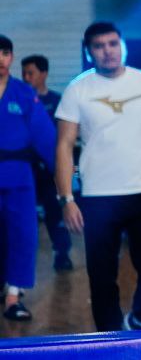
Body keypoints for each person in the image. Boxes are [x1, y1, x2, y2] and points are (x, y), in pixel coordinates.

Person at [55, 22, 141, 331]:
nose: (108, 51)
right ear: (88, 52)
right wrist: (66, 198)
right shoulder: (78, 89)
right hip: (98, 198)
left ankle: (140, 317)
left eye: (113, 43)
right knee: (101, 276)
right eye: (99, 46)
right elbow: (64, 146)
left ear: (123, 46)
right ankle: (110, 338)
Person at [0, 36, 57, 321]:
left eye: (5, 53)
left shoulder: (24, 94)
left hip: (19, 176)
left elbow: (46, 139)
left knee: (22, 235)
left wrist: (65, 178)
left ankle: (13, 297)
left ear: (11, 57)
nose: (0, 59)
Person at [21, 54, 72, 271]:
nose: (26, 78)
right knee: (21, 216)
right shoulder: (17, 101)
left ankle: (62, 254)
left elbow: (65, 137)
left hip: (51, 169)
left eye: (30, 73)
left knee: (55, 212)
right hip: (25, 169)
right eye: (24, 73)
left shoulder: (58, 101)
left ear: (43, 74)